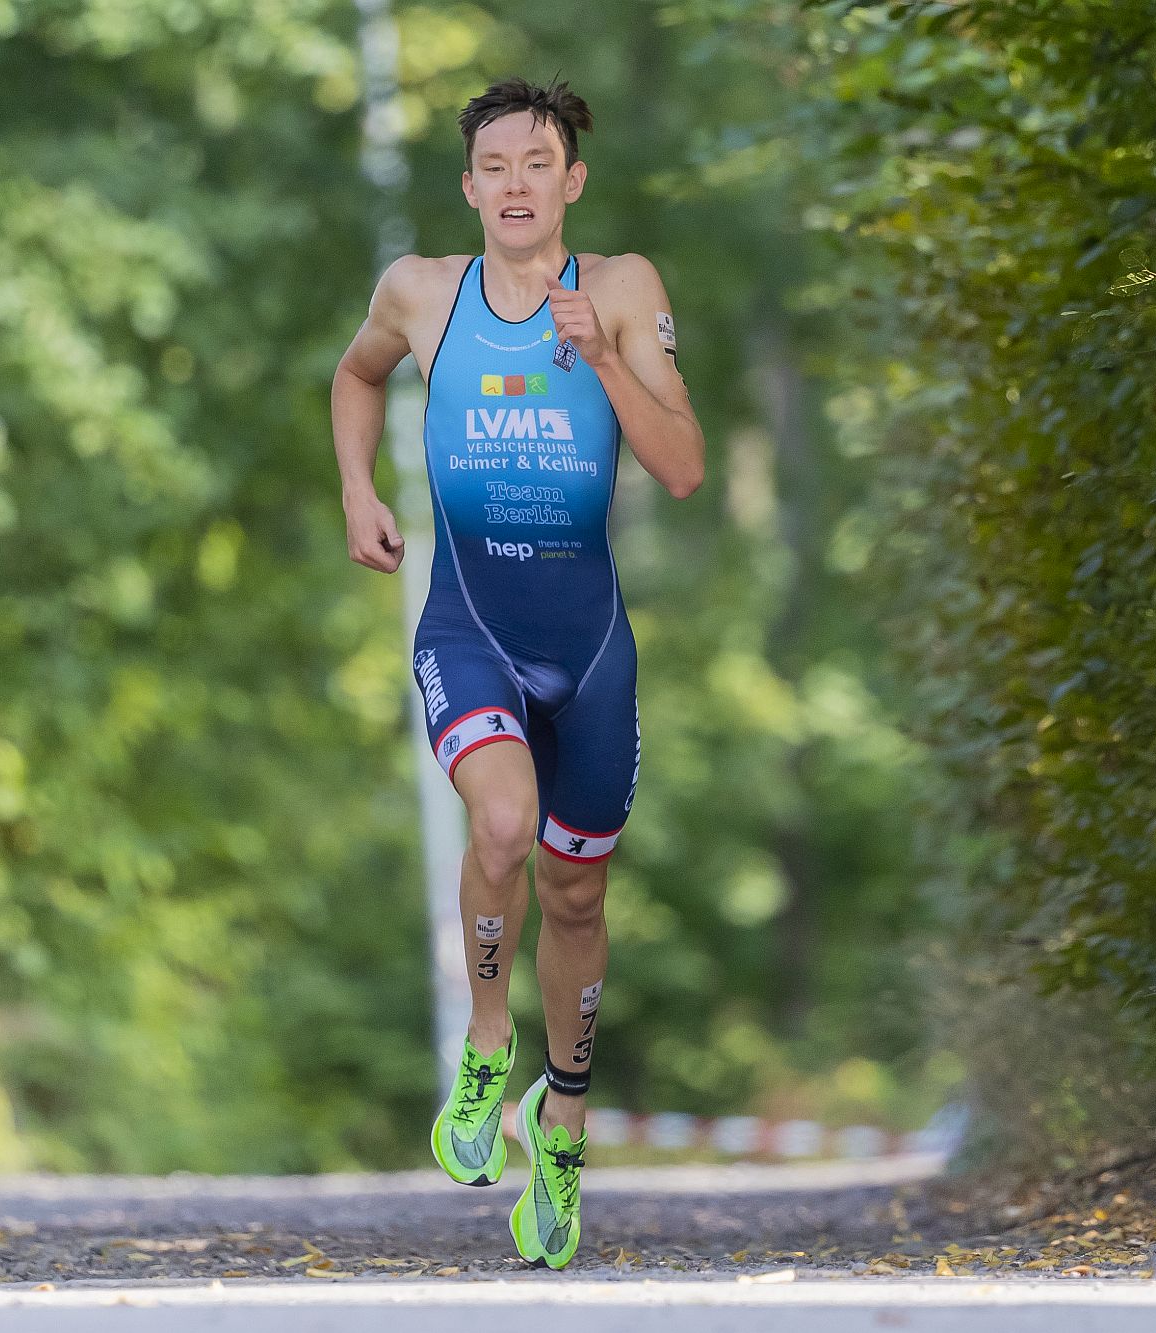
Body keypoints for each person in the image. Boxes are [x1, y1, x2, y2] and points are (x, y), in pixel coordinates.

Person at [328, 74, 705, 1268]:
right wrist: (356, 488)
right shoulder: (423, 294)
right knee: (503, 825)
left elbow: (685, 466)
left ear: (570, 182)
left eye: (536, 163)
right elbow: (355, 374)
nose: (515, 186)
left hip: (588, 649)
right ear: (469, 188)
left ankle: (564, 1131)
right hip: (469, 627)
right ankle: (487, 1040)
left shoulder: (627, 290)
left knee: (578, 892)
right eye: (494, 167)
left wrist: (599, 359)